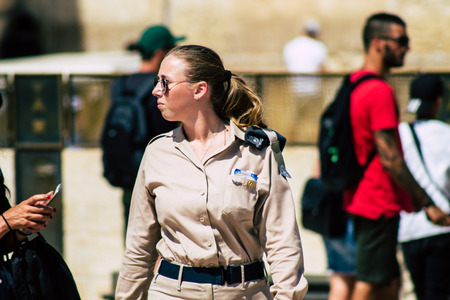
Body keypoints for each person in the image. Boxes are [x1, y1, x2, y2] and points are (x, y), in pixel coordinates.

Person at [115, 45, 308, 299]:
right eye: (156, 81)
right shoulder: (157, 153)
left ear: (199, 90)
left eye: (165, 82)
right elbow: (139, 249)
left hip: (245, 293)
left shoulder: (257, 152)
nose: (155, 90)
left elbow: (283, 242)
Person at [343, 13, 450, 300]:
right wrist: (427, 202)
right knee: (371, 283)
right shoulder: (379, 91)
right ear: (378, 43)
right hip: (377, 202)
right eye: (401, 40)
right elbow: (390, 156)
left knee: (390, 285)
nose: (407, 47)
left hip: (366, 199)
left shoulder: (354, 83)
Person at [108, 25, 184, 234]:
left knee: (133, 231)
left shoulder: (120, 85)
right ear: (161, 53)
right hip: (157, 171)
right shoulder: (160, 87)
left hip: (128, 170)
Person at [398, 74, 450, 300]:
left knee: (421, 293)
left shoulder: (399, 134)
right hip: (443, 227)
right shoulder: (447, 134)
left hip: (409, 229)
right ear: (439, 101)